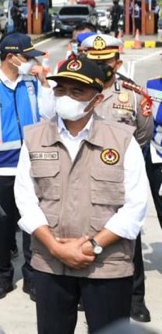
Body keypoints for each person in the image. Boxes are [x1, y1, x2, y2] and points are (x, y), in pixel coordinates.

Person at [15, 57, 148, 334]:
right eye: (61, 90)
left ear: (97, 100)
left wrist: (93, 246)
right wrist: (54, 246)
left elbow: (135, 207)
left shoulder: (122, 140)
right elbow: (25, 199)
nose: (66, 98)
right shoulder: (34, 137)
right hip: (51, 264)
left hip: (107, 266)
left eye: (77, 92)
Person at [0, 33, 54, 301]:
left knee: (32, 225)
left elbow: (49, 115)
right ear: (10, 57)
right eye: (26, 57)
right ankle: (3, 276)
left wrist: (45, 83)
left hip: (31, 165)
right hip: (1, 169)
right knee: (2, 227)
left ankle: (31, 275)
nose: (31, 62)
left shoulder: (33, 84)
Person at [81, 33, 154, 323]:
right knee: (87, 233)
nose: (100, 65)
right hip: (85, 174)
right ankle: (86, 294)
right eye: (94, 60)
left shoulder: (133, 94)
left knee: (126, 237)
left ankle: (136, 298)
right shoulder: (78, 90)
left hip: (122, 177)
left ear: (118, 61)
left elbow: (144, 134)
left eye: (106, 60)